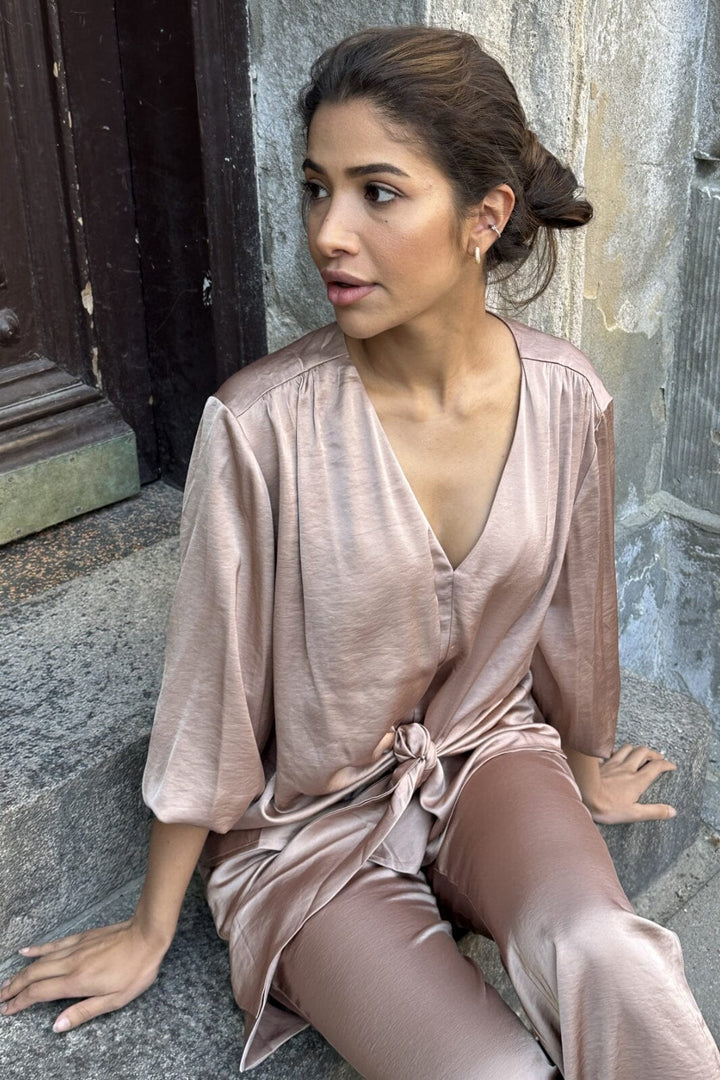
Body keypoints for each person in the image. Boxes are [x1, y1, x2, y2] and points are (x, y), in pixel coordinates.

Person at [2, 25, 719, 1080]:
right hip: (306, 830)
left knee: (610, 955)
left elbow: (576, 619)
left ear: (484, 218)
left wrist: (580, 765)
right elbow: (210, 698)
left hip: (490, 758)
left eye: (377, 192)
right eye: (315, 189)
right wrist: (153, 926)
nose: (328, 233)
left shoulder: (568, 397)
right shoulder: (261, 428)